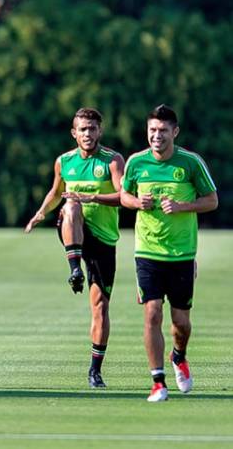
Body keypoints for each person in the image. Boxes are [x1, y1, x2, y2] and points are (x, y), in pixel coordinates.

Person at [120, 104, 217, 402]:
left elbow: (212, 200)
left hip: (182, 253)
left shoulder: (190, 163)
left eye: (163, 131)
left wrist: (182, 207)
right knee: (152, 313)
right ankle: (157, 382)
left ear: (174, 132)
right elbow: (124, 195)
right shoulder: (136, 163)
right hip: (147, 251)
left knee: (181, 323)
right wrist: (138, 202)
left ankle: (180, 356)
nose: (156, 136)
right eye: (152, 130)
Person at [25, 108, 125, 388]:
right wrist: (40, 213)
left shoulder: (113, 161)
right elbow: (57, 192)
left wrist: (91, 195)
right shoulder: (64, 161)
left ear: (100, 131)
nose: (88, 134)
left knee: (100, 307)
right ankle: (74, 269)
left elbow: (124, 197)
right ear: (74, 133)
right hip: (74, 232)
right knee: (71, 205)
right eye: (83, 129)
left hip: (104, 239)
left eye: (92, 129)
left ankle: (95, 370)